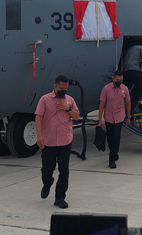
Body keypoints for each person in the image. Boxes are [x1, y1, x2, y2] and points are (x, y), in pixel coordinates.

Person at [35, 75, 81, 208]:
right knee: (47, 170)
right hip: (48, 141)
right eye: (61, 88)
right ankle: (47, 183)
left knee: (64, 170)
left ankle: (60, 197)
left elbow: (77, 117)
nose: (63, 91)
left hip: (64, 141)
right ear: (55, 86)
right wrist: (39, 136)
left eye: (66, 89)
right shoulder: (45, 99)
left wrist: (68, 109)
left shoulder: (70, 100)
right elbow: (38, 117)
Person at [98, 71, 131, 169]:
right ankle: (114, 152)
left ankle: (111, 159)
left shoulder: (125, 89)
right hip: (109, 117)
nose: (119, 82)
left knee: (116, 137)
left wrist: (128, 116)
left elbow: (128, 102)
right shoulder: (106, 89)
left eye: (121, 80)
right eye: (117, 80)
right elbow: (102, 104)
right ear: (113, 78)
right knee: (110, 137)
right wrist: (100, 119)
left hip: (119, 116)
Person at [122, 44, 142, 111]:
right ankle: (130, 109)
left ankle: (132, 93)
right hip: (134, 70)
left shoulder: (130, 48)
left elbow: (133, 59)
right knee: (139, 90)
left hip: (126, 71)